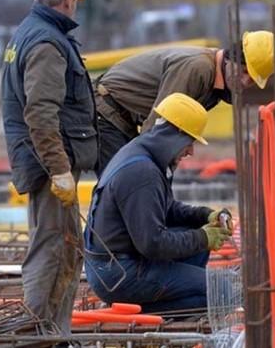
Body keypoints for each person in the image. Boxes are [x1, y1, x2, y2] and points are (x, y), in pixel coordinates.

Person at [1, 0, 97, 337]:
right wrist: (58, 169)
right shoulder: (46, 43)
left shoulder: (31, 32)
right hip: (47, 167)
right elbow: (39, 114)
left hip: (41, 161)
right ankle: (35, 336)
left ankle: (53, 335)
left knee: (66, 250)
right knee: (52, 252)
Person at [84, 93, 232, 312]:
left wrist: (204, 216)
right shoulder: (142, 173)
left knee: (198, 246)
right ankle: (141, 309)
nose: (191, 151)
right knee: (222, 291)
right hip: (118, 274)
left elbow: (167, 208)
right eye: (190, 141)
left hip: (115, 265)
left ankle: (158, 295)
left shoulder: (144, 154)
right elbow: (152, 243)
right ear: (176, 135)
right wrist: (202, 237)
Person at [94, 30, 275, 175]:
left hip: (123, 117)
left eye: (251, 80)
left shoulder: (215, 85)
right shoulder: (199, 69)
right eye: (243, 71)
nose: (244, 82)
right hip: (108, 110)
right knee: (125, 181)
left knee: (133, 180)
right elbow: (160, 123)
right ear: (230, 58)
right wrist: (157, 174)